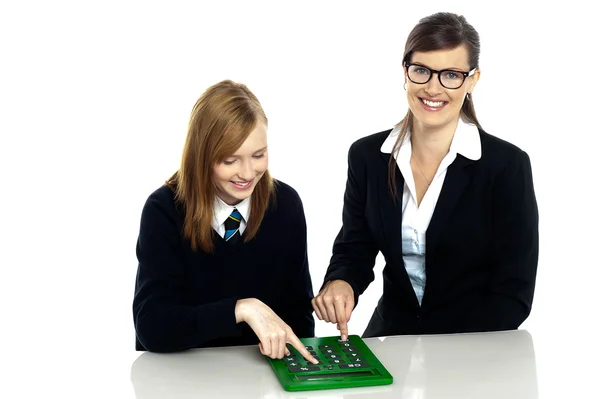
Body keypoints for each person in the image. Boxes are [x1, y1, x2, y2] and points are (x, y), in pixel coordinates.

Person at [312, 12, 539, 340]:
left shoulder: (506, 166)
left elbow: (513, 293)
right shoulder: (367, 157)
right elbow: (355, 246)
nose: (433, 88)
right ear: (405, 72)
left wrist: (444, 356)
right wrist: (340, 282)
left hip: (473, 345)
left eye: (450, 75)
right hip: (392, 336)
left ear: (472, 80)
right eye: (421, 71)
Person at [133, 80, 317, 363]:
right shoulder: (164, 210)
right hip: (182, 374)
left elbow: (298, 318)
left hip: (258, 375)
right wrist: (240, 309)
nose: (247, 173)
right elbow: (152, 325)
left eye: (259, 155)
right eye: (230, 160)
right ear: (202, 157)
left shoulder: (285, 205)